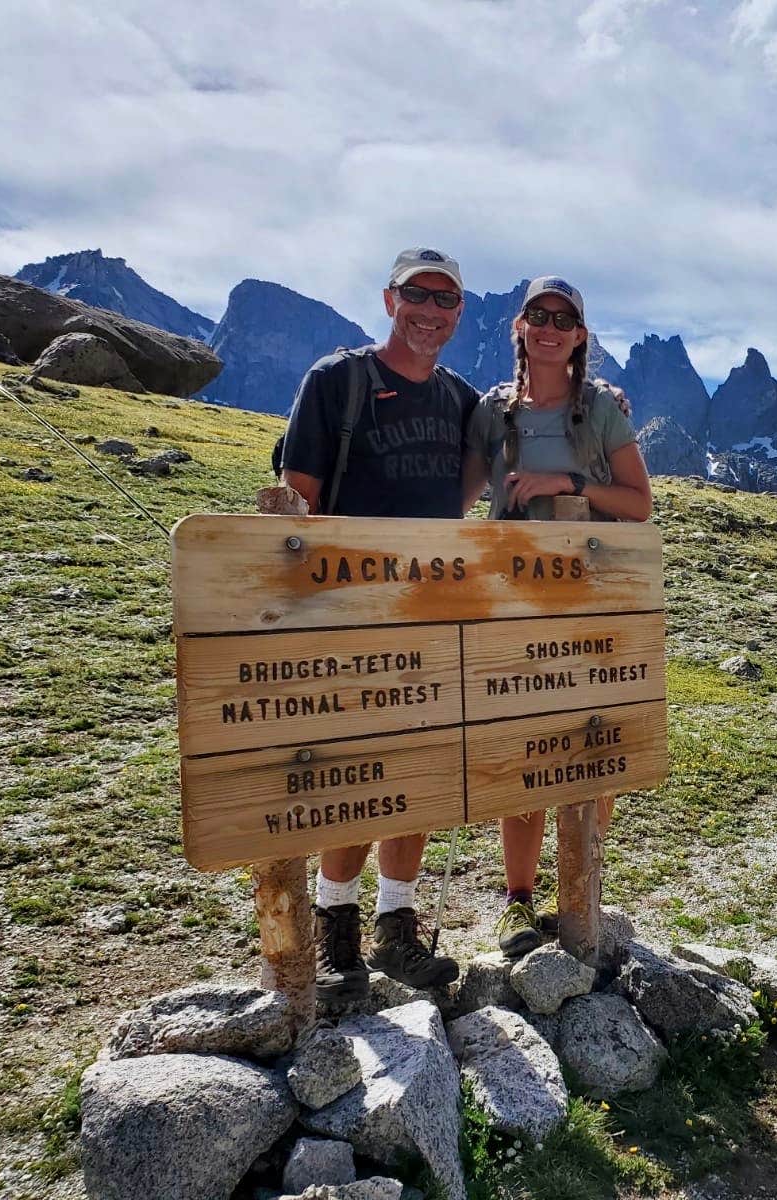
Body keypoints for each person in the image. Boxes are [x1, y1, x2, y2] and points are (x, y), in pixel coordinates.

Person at [280, 247, 479, 1006]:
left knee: (421, 768)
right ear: (390, 298)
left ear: (460, 313)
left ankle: (396, 925)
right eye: (417, 295)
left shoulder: (460, 399)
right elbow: (297, 499)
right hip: (347, 613)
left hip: (429, 611)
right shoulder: (336, 381)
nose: (431, 311)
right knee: (354, 777)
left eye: (446, 300)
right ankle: (336, 927)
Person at [461, 276, 652, 956]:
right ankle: (518, 899)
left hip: (592, 604)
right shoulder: (493, 410)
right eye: (537, 315)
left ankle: (584, 885)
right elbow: (456, 497)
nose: (549, 326)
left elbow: (638, 503)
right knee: (528, 749)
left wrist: (566, 483)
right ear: (519, 326)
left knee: (594, 744)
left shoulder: (600, 408)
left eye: (563, 318)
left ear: (579, 336)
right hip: (514, 605)